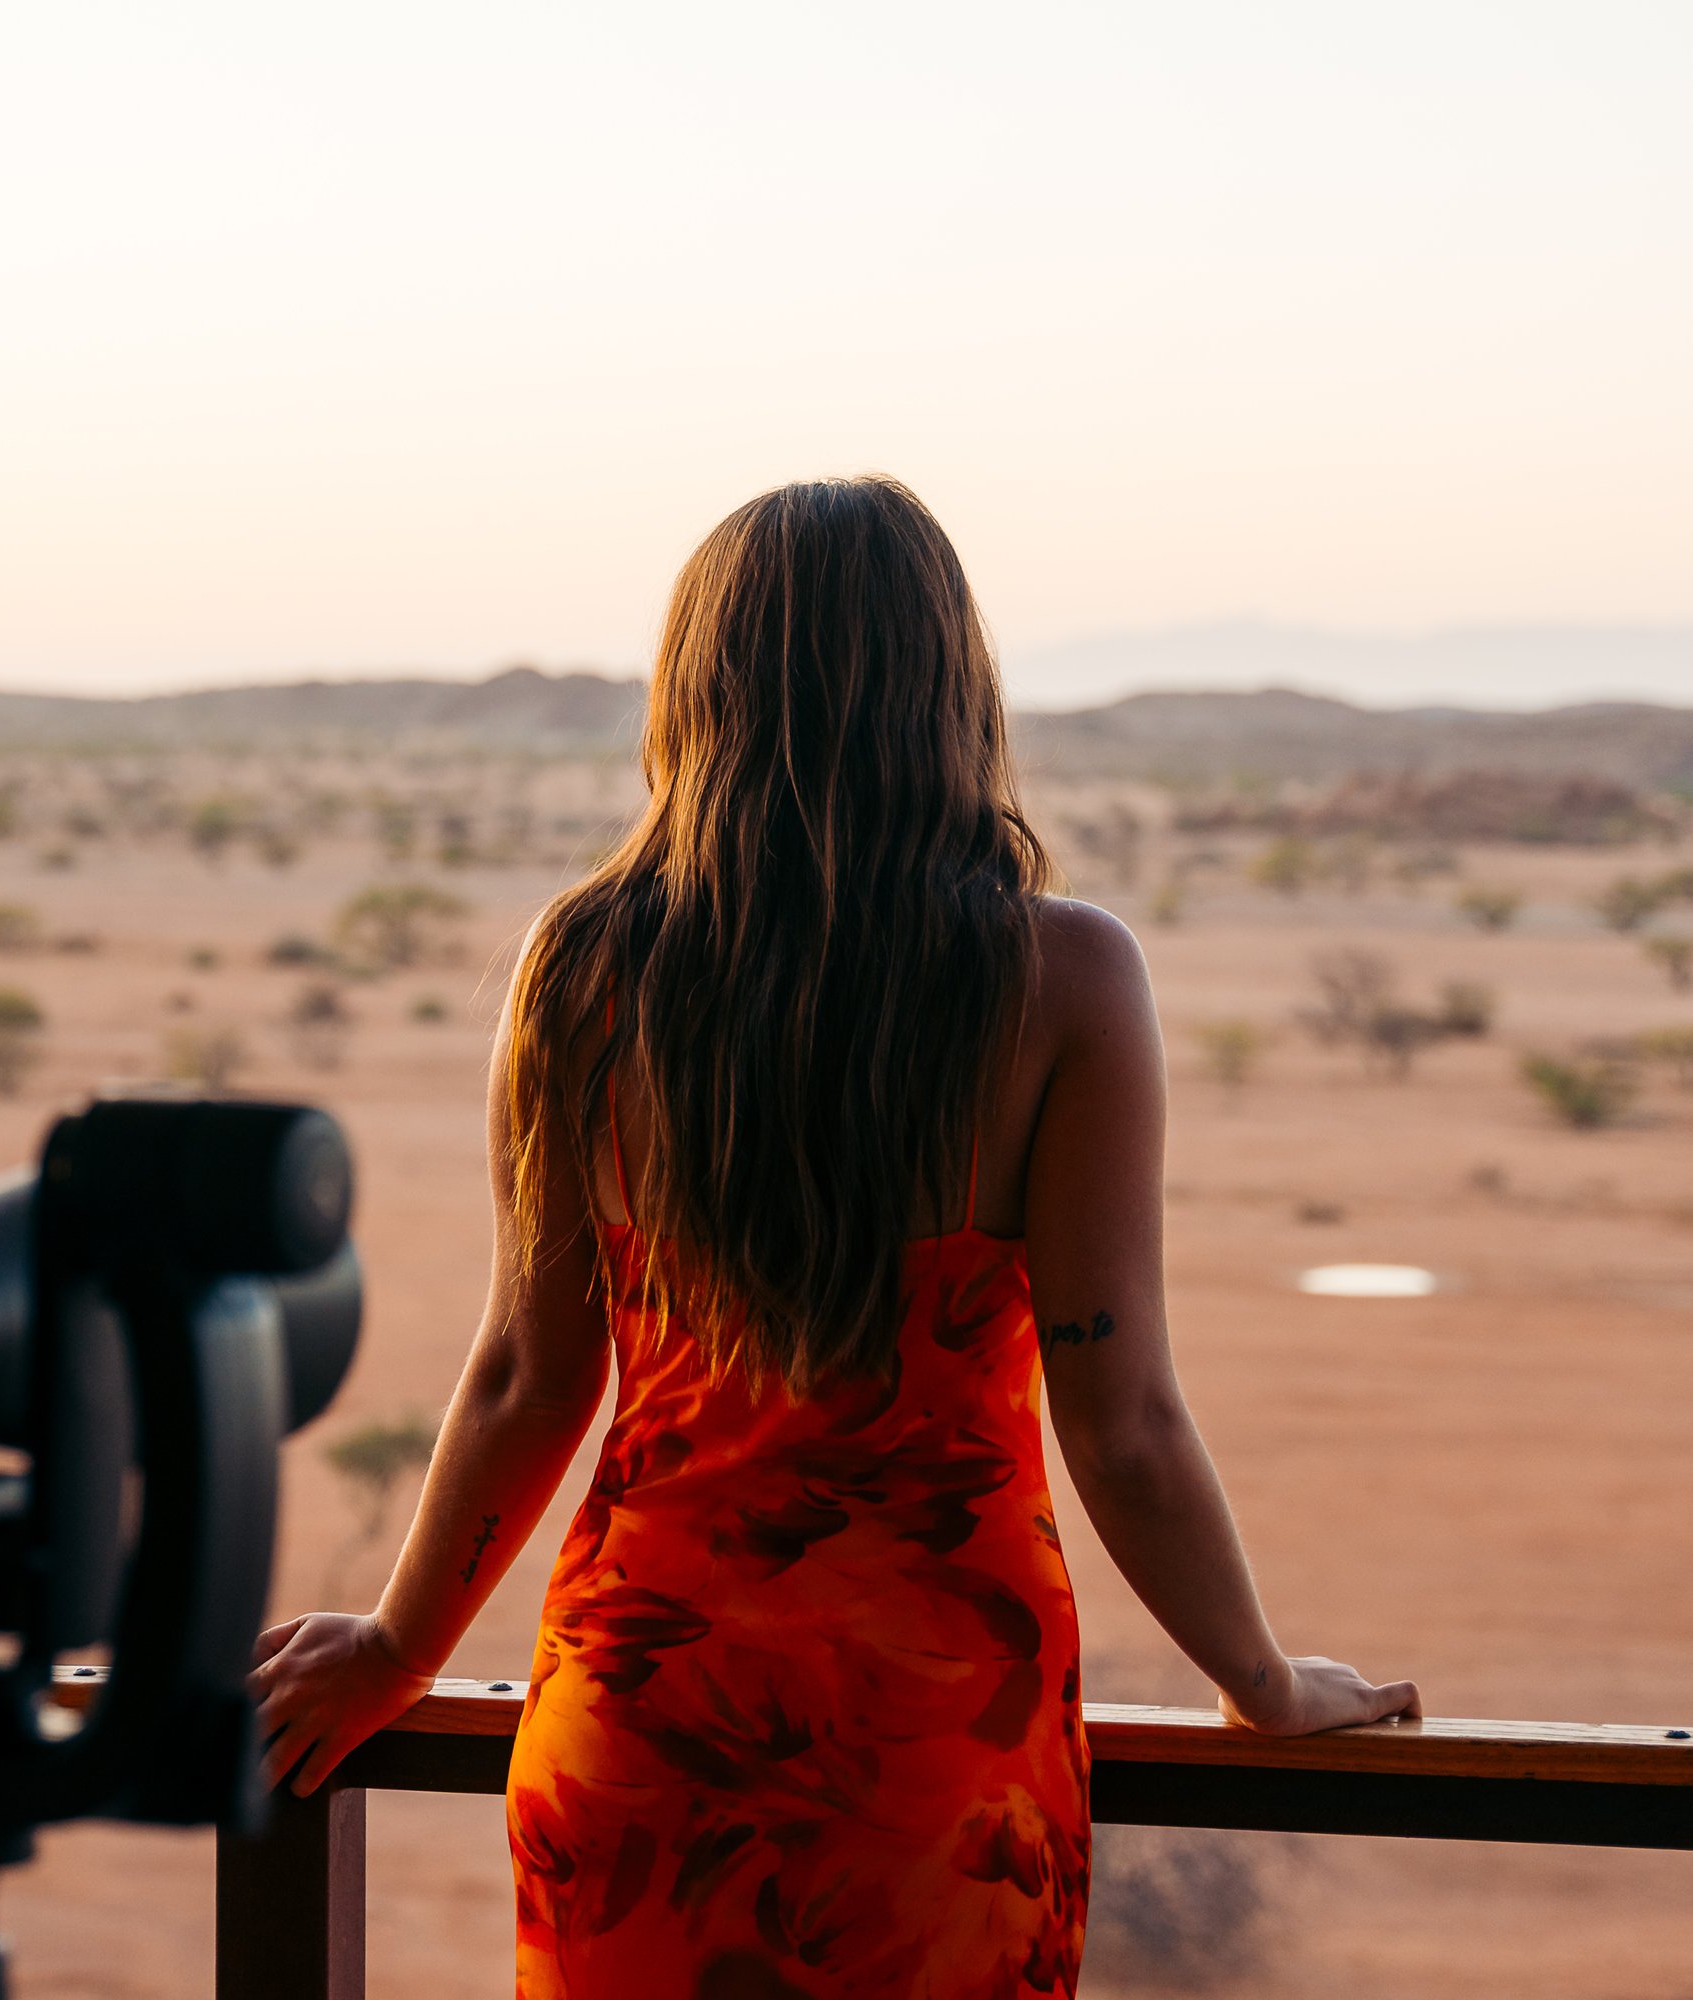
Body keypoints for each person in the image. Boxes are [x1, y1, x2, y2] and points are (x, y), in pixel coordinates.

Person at [249, 476, 1418, 1998]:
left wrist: (404, 1645)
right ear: (952, 685)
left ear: (696, 690)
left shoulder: (581, 972)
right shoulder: (1061, 980)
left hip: (642, 1722)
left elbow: (529, 1377)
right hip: (935, 1748)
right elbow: (1120, 1423)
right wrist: (1259, 1681)